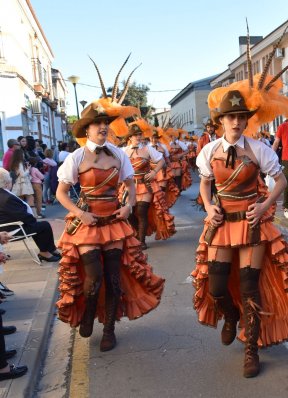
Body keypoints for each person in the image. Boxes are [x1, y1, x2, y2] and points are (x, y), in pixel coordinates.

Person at [193, 89, 288, 378]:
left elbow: (281, 180)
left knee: (250, 288)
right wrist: (209, 207)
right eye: (231, 117)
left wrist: (264, 206)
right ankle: (231, 315)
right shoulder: (208, 151)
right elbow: (204, 185)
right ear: (221, 120)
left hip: (252, 225)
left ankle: (252, 348)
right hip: (221, 225)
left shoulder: (260, 149)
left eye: (241, 117)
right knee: (216, 288)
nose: (236, 122)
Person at [54, 63, 165, 352]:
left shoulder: (118, 154)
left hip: (114, 222)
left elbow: (129, 184)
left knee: (114, 279)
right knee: (93, 278)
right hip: (88, 224)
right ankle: (89, 312)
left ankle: (109, 329)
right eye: (97, 124)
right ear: (87, 129)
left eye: (106, 123)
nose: (103, 127)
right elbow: (61, 192)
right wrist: (79, 213)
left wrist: (128, 205)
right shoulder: (76, 158)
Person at [123, 122, 174, 248]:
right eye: (135, 135)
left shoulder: (147, 149)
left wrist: (154, 172)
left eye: (140, 135)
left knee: (141, 211)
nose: (139, 137)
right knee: (129, 214)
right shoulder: (123, 151)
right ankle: (136, 235)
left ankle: (141, 241)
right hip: (129, 186)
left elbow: (161, 160)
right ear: (130, 137)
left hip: (145, 185)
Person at [0, 168, 61, 262]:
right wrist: (32, 220)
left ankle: (51, 250)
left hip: (6, 226)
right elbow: (22, 215)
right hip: (11, 229)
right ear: (6, 182)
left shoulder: (4, 195)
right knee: (44, 225)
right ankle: (45, 252)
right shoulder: (6, 197)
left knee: (37, 225)